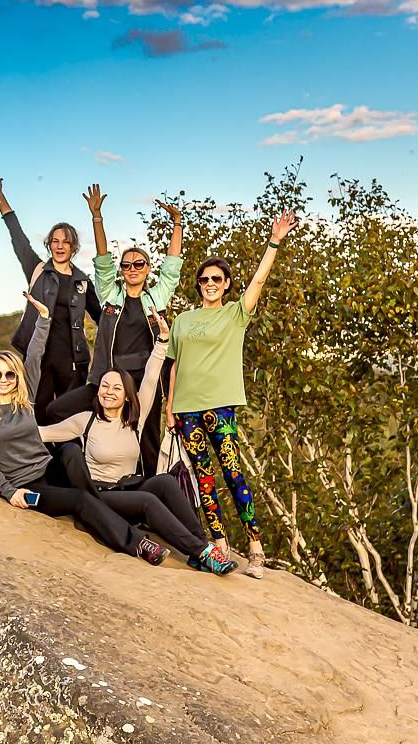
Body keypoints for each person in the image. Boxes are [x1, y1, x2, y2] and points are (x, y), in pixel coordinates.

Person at [0, 294, 168, 565]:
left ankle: (100, 505)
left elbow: (35, 355)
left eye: (10, 374)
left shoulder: (24, 400)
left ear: (17, 377)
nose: (4, 379)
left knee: (71, 451)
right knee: (78, 500)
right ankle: (137, 543)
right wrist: (8, 491)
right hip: (26, 484)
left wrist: (43, 318)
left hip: (48, 468)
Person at [39, 308, 234, 575]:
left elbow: (152, 375)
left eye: (116, 388)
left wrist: (163, 341)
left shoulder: (135, 419)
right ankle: (202, 552)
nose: (108, 392)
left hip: (126, 488)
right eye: (104, 386)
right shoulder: (85, 420)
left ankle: (199, 546)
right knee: (147, 502)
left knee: (164, 481)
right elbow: (42, 433)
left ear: (128, 396)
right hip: (100, 497)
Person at [166, 210, 299, 579]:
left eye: (216, 279)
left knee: (233, 474)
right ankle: (221, 548)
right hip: (187, 410)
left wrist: (274, 241)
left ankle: (255, 547)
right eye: (204, 279)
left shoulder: (234, 315)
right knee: (203, 479)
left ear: (226, 285)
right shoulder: (183, 320)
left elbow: (258, 281)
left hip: (220, 409)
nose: (209, 283)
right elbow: (174, 366)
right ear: (198, 285)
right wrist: (169, 407)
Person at [46, 188, 184, 476]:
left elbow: (171, 270)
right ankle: (80, 465)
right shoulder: (110, 295)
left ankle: (145, 490)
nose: (132, 268)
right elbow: (102, 260)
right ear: (122, 270)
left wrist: (177, 224)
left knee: (146, 439)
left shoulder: (154, 300)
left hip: (139, 386)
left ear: (148, 269)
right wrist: (97, 216)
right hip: (104, 380)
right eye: (127, 265)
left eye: (139, 264)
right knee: (56, 411)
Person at [0, 176, 101, 423]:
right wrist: (0, 199)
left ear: (74, 247)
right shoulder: (37, 270)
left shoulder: (82, 281)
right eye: (55, 241)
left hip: (73, 360)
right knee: (38, 414)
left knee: (70, 419)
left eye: (65, 242)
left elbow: (101, 317)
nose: (60, 246)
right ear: (49, 245)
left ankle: (67, 460)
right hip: (39, 357)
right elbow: (18, 238)